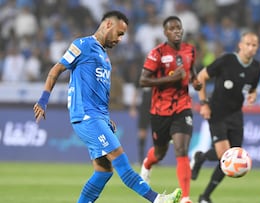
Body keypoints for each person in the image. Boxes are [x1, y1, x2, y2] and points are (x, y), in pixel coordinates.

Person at [33, 10, 181, 203]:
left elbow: (98, 93)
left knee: (103, 171)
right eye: (120, 33)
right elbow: (56, 70)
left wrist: (105, 118)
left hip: (97, 117)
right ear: (108, 25)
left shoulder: (105, 57)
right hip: (86, 116)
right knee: (121, 161)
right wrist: (43, 100)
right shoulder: (82, 45)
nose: (120, 39)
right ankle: (158, 200)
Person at [191, 31, 260, 203]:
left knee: (233, 157)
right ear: (240, 45)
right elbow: (200, 77)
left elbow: (251, 88)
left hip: (236, 114)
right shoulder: (227, 60)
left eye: (254, 45)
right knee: (226, 156)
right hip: (217, 112)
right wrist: (204, 103)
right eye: (248, 44)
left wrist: (252, 95)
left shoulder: (256, 68)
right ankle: (205, 197)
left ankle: (202, 168)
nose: (250, 48)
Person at [139, 16, 202, 203]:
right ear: (165, 32)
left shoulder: (190, 50)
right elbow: (143, 80)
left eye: (179, 28)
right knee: (160, 153)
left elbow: (192, 73)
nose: (177, 31)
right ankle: (147, 163)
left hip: (182, 107)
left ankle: (186, 198)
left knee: (182, 150)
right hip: (160, 110)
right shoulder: (157, 53)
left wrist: (196, 82)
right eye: (172, 28)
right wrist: (169, 79)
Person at [129, 85, 152, 164]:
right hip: (144, 109)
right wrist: (133, 107)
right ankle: (141, 159)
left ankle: (155, 159)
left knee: (156, 134)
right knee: (142, 134)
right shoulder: (142, 75)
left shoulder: (158, 75)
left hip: (156, 108)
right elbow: (136, 91)